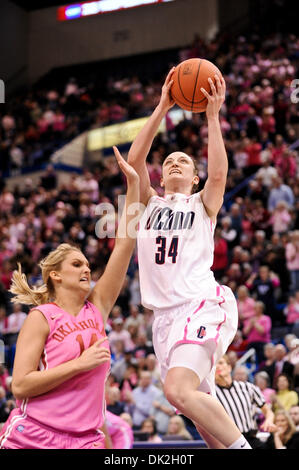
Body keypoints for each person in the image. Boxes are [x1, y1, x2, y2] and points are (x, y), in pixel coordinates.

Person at [128, 68, 251, 449]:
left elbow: (219, 175)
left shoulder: (202, 204)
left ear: (194, 178)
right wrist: (162, 106)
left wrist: (212, 117)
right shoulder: (147, 205)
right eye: (168, 162)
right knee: (200, 413)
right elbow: (135, 163)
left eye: (184, 161)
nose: (175, 163)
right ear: (160, 179)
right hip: (164, 319)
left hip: (200, 304)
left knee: (179, 390)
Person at [0, 147, 140, 449]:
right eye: (77, 264)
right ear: (56, 275)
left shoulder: (97, 307)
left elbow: (125, 245)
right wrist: (79, 364)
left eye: (87, 264)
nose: (86, 269)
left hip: (85, 441)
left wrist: (133, 188)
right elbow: (20, 385)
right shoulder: (41, 317)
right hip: (34, 435)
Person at [215, 355, 276, 449]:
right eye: (214, 365)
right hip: (229, 442)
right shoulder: (211, 394)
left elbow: (268, 411)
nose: (217, 366)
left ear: (229, 367)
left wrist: (269, 420)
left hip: (252, 438)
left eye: (220, 362)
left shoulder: (248, 387)